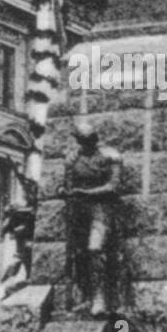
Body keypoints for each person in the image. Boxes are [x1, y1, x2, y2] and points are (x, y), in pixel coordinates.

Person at [65, 120, 123, 317]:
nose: (84, 145)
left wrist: (86, 192)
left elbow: (113, 186)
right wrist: (66, 191)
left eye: (86, 141)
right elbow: (67, 184)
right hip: (79, 211)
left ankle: (100, 297)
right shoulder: (73, 159)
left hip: (102, 209)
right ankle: (84, 296)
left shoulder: (110, 156)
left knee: (95, 248)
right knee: (79, 254)